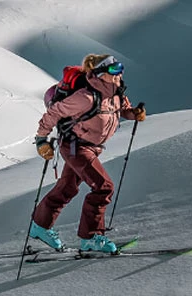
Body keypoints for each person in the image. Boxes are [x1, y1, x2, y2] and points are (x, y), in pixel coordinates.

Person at [30, 54, 146, 253]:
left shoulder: (116, 93)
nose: (119, 72)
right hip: (76, 147)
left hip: (91, 147)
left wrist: (133, 113)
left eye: (119, 67)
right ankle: (91, 237)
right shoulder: (86, 97)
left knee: (67, 187)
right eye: (113, 69)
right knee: (104, 187)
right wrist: (42, 139)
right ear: (100, 74)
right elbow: (55, 112)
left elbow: (121, 109)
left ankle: (40, 227)